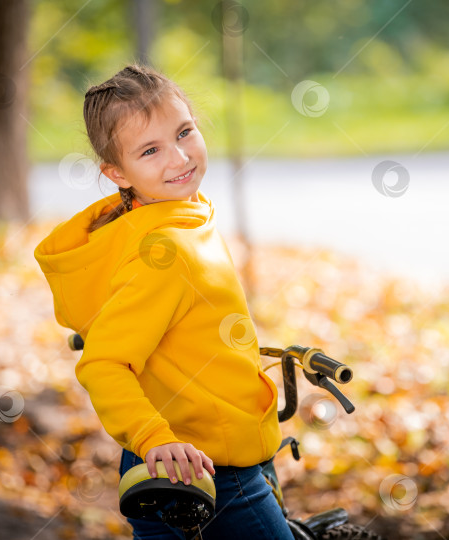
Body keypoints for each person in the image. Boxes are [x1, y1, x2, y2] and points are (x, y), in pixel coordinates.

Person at [34, 64, 294, 540]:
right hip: (204, 467)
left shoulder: (171, 216)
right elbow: (104, 362)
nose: (178, 158)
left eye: (184, 133)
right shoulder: (164, 252)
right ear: (116, 172)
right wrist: (157, 438)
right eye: (150, 150)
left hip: (179, 451)